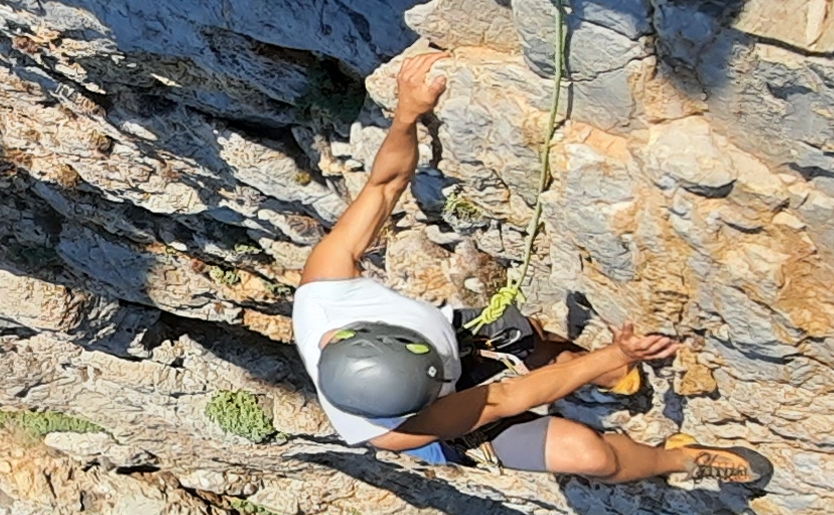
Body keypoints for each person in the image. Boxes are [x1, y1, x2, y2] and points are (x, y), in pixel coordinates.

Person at [290, 52, 761, 484]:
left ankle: (593, 372)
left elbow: (384, 185)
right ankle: (681, 459)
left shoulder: (327, 286)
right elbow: (505, 398)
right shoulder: (392, 430)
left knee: (521, 334)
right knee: (589, 457)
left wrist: (407, 114)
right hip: (444, 418)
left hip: (455, 343)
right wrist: (616, 352)